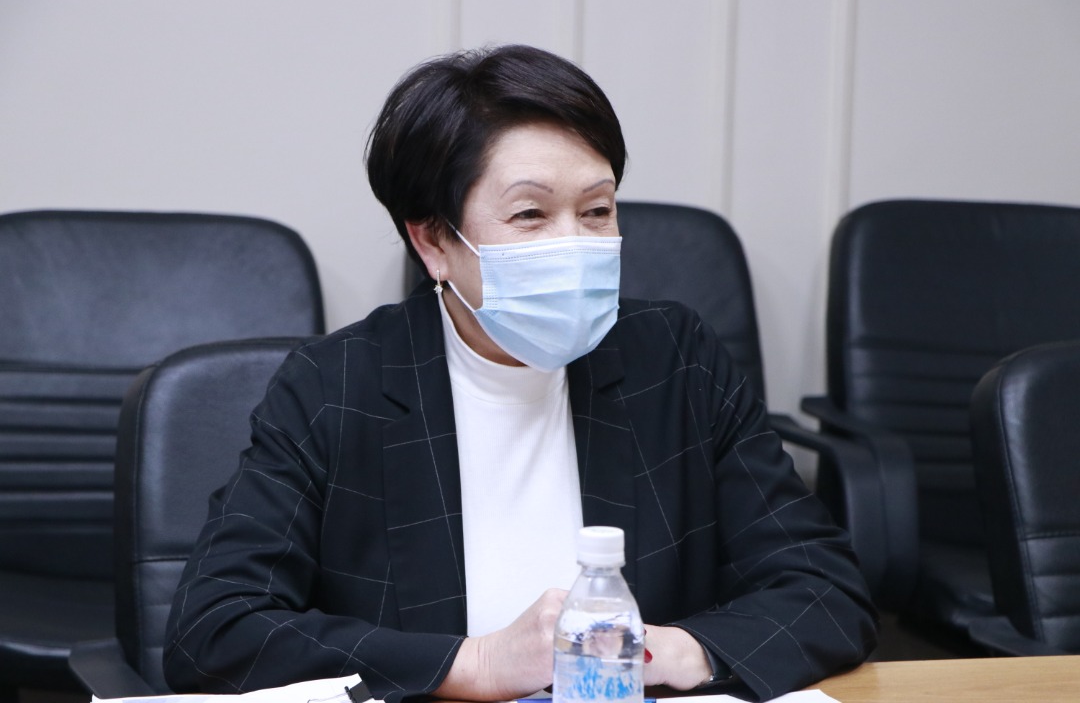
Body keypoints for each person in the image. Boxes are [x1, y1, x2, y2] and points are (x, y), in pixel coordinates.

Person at [163, 44, 877, 702]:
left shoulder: (674, 359)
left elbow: (824, 588)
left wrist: (667, 653)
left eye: (597, 210)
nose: (574, 243)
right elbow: (214, 631)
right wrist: (473, 665)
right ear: (434, 241)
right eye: (531, 214)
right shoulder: (335, 387)